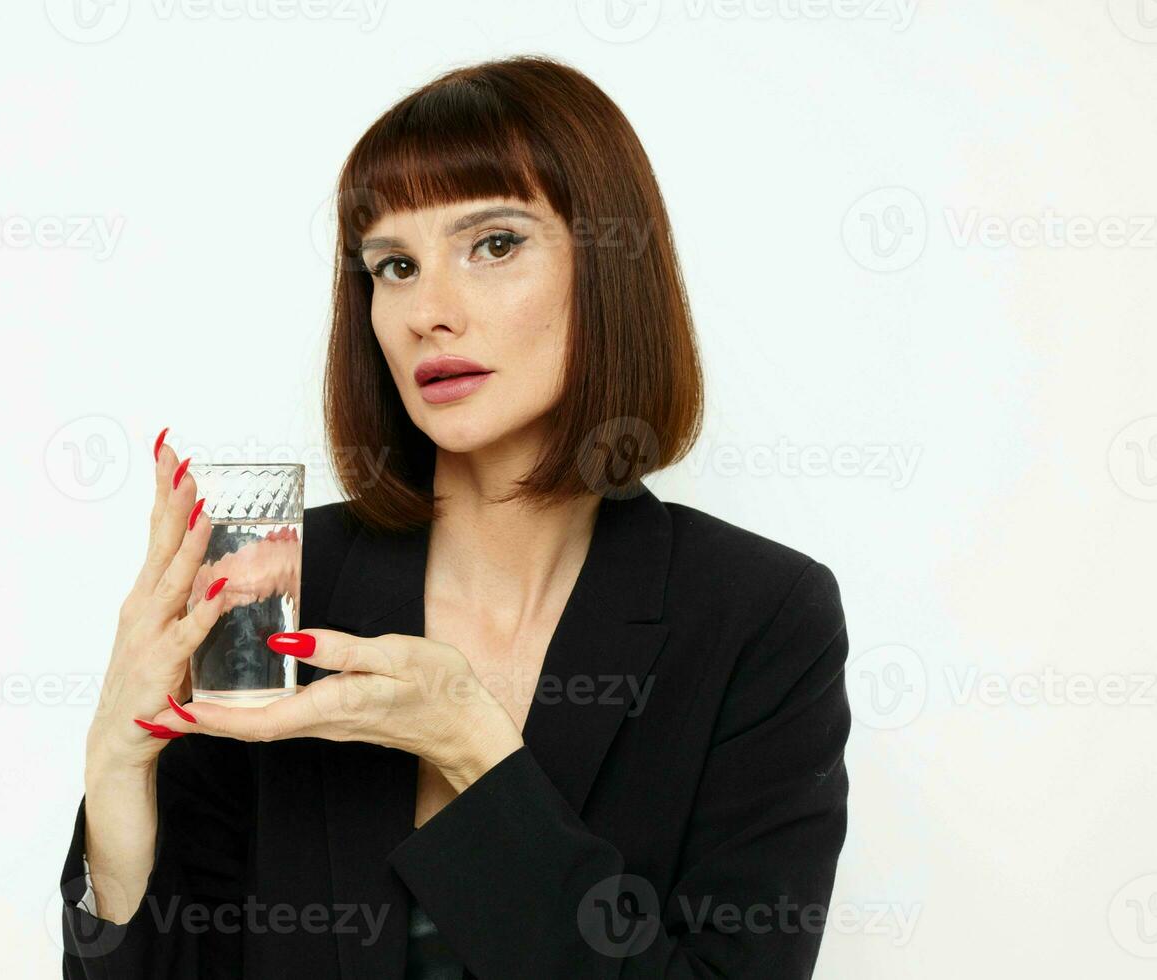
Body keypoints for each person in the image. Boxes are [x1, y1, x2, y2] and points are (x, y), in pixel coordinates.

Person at [60, 54, 851, 979]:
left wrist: (474, 754)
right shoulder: (280, 581)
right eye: (394, 266)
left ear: (607, 267)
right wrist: (116, 779)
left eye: (495, 244)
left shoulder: (759, 616)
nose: (428, 312)